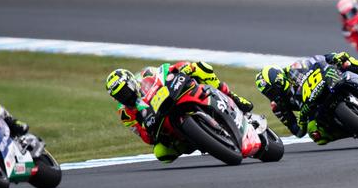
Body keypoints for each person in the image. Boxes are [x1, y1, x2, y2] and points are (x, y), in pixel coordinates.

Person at [105, 61, 253, 163]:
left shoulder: (146, 75)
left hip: (175, 95)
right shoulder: (125, 113)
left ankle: (233, 97)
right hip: (163, 120)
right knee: (161, 153)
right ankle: (197, 140)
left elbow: (166, 70)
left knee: (201, 67)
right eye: (119, 95)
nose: (124, 96)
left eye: (125, 91)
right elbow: (144, 137)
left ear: (131, 82)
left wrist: (183, 68)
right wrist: (147, 129)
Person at [254, 51, 358, 145]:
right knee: (316, 135)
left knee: (346, 61)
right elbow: (298, 132)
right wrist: (302, 118)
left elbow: (320, 59)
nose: (273, 96)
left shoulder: (294, 68)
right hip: (318, 110)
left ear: (279, 80)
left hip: (328, 83)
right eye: (269, 94)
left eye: (273, 91)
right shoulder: (278, 106)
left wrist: (334, 58)